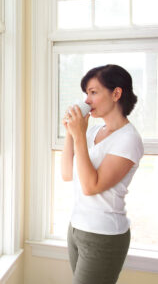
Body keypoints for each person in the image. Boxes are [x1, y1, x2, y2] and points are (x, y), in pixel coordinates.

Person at [61, 64, 144, 284]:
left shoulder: (128, 139)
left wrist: (79, 136)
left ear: (116, 93)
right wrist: (71, 134)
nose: (87, 100)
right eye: (86, 94)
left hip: (103, 236)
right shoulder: (93, 132)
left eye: (93, 92)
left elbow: (91, 186)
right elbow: (67, 173)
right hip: (77, 229)